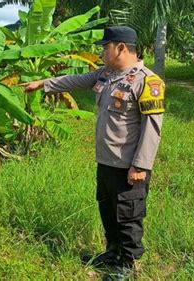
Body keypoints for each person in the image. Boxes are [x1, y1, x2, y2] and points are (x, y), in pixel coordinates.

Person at [21, 26, 164, 278]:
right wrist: (44, 84)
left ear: (121, 48)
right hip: (106, 161)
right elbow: (74, 81)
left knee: (128, 215)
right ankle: (112, 253)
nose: (100, 52)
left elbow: (152, 128)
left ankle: (127, 265)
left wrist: (140, 166)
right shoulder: (106, 75)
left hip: (129, 165)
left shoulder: (147, 81)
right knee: (108, 209)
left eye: (104, 47)